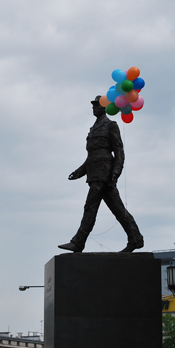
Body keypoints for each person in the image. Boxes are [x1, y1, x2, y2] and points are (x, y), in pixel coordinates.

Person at [58, 96, 144, 253]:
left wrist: (115, 173)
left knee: (90, 207)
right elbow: (92, 155)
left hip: (104, 174)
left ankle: (78, 242)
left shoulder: (111, 125)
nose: (94, 108)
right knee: (118, 209)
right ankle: (136, 238)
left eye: (96, 105)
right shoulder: (94, 128)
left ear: (105, 107)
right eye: (93, 105)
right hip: (95, 174)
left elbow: (119, 152)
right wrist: (79, 172)